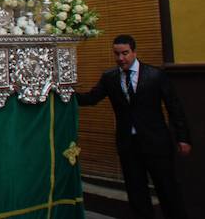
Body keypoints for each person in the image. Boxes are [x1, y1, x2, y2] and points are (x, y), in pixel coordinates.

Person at [77, 34, 191, 219]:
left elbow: (174, 107)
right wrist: (65, 94)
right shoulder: (110, 77)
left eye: (125, 53)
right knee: (136, 192)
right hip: (128, 144)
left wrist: (183, 137)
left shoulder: (155, 75)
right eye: (117, 54)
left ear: (134, 52)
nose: (121, 58)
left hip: (156, 143)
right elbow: (91, 98)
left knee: (168, 190)